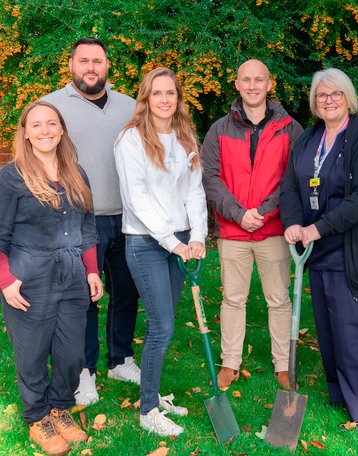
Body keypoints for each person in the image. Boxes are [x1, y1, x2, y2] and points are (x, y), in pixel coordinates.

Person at [280, 68, 358, 427]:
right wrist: (294, 223)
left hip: (353, 250)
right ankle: (341, 395)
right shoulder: (308, 138)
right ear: (314, 102)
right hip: (317, 250)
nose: (328, 101)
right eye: (322, 96)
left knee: (355, 330)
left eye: (336, 94)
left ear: (349, 98)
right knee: (329, 330)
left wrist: (319, 227)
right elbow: (291, 187)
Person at [0, 101, 103, 455]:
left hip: (73, 274)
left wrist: (92, 270)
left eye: (51, 124)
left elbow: (87, 228)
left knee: (72, 353)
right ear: (25, 133)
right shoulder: (11, 177)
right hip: (28, 277)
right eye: (36, 125)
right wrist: (6, 280)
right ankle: (37, 417)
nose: (45, 131)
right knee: (31, 354)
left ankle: (60, 407)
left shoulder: (77, 172)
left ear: (61, 130)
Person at [43, 37, 140, 405]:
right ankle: (85, 371)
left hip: (129, 219)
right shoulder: (52, 106)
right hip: (79, 221)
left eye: (97, 61)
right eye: (83, 61)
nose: (90, 67)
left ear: (107, 66)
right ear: (71, 65)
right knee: (84, 298)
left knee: (126, 293)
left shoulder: (130, 107)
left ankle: (121, 359)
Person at [114, 67, 207, 436]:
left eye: (171, 93)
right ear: (146, 99)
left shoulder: (185, 138)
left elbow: (194, 192)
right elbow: (138, 200)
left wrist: (197, 236)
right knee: (162, 326)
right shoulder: (131, 140)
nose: (165, 100)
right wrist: (174, 243)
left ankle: (151, 393)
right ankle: (148, 410)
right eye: (157, 93)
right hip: (146, 242)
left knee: (163, 327)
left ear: (178, 99)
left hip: (181, 241)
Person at [202, 59, 302, 389]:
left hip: (273, 229)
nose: (253, 86)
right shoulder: (219, 129)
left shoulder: (290, 128)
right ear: (236, 84)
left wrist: (263, 211)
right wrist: (238, 212)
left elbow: (294, 177)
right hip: (233, 230)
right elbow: (211, 177)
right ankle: (230, 363)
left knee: (279, 298)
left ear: (269, 84)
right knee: (233, 299)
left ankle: (283, 363)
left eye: (259, 80)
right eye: (246, 80)